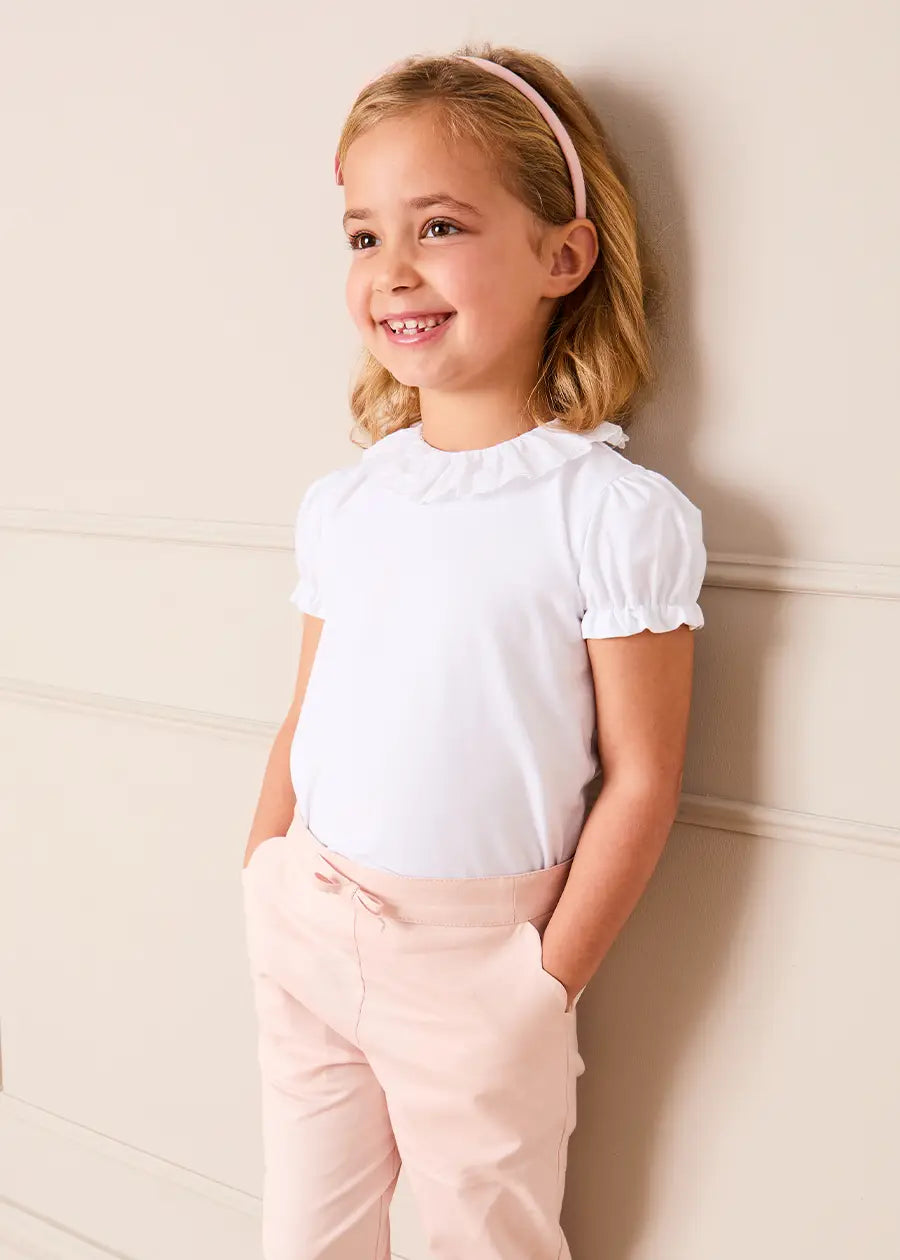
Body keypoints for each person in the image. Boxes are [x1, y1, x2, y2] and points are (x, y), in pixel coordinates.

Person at [239, 43, 707, 1260]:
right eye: (364, 236)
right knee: (306, 1241)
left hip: (478, 973)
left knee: (487, 1242)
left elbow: (644, 777)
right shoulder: (347, 503)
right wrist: (262, 871)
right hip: (306, 921)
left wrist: (541, 986)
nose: (393, 268)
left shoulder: (609, 514)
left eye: (438, 225)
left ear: (563, 255)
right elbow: (308, 712)